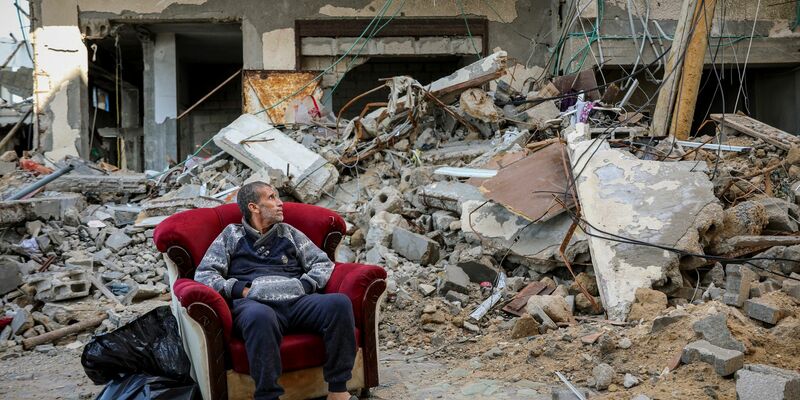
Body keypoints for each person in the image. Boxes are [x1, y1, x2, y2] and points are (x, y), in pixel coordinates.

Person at [195, 181, 356, 400]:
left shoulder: (289, 233)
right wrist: (241, 290)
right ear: (253, 207)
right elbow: (205, 275)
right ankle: (268, 396)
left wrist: (306, 284)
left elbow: (323, 264)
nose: (281, 203)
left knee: (339, 303)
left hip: (298, 301)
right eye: (271, 198)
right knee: (259, 317)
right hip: (255, 304)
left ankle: (338, 391)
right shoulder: (231, 235)